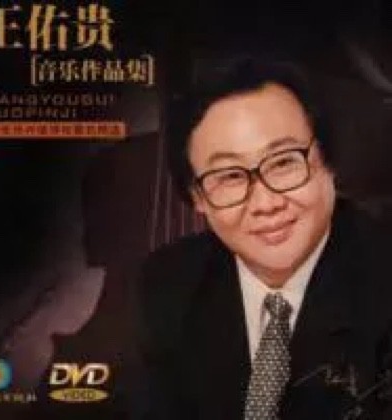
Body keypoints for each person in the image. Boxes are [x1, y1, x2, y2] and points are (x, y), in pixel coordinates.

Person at [127, 58, 392, 420]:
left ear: (328, 164)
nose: (266, 204)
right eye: (230, 176)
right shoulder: (167, 285)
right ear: (198, 198)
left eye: (283, 163)